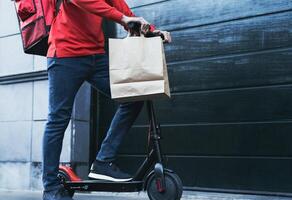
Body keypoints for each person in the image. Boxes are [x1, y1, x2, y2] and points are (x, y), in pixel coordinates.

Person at [42, 0, 171, 199]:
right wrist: (123, 19)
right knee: (58, 119)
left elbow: (123, 10)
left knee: (133, 95)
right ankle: (50, 188)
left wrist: (153, 30)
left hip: (96, 56)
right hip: (65, 55)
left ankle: (103, 161)